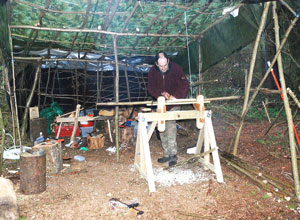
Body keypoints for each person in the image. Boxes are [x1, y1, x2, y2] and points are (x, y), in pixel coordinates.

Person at [147, 52, 189, 166]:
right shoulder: (152, 71)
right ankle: (166, 153)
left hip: (174, 102)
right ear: (156, 63)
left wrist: (176, 96)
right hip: (161, 103)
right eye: (161, 66)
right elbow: (150, 88)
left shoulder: (176, 68)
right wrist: (161, 94)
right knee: (161, 128)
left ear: (168, 61)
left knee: (170, 125)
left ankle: (173, 155)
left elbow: (184, 84)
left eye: (165, 65)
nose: (164, 67)